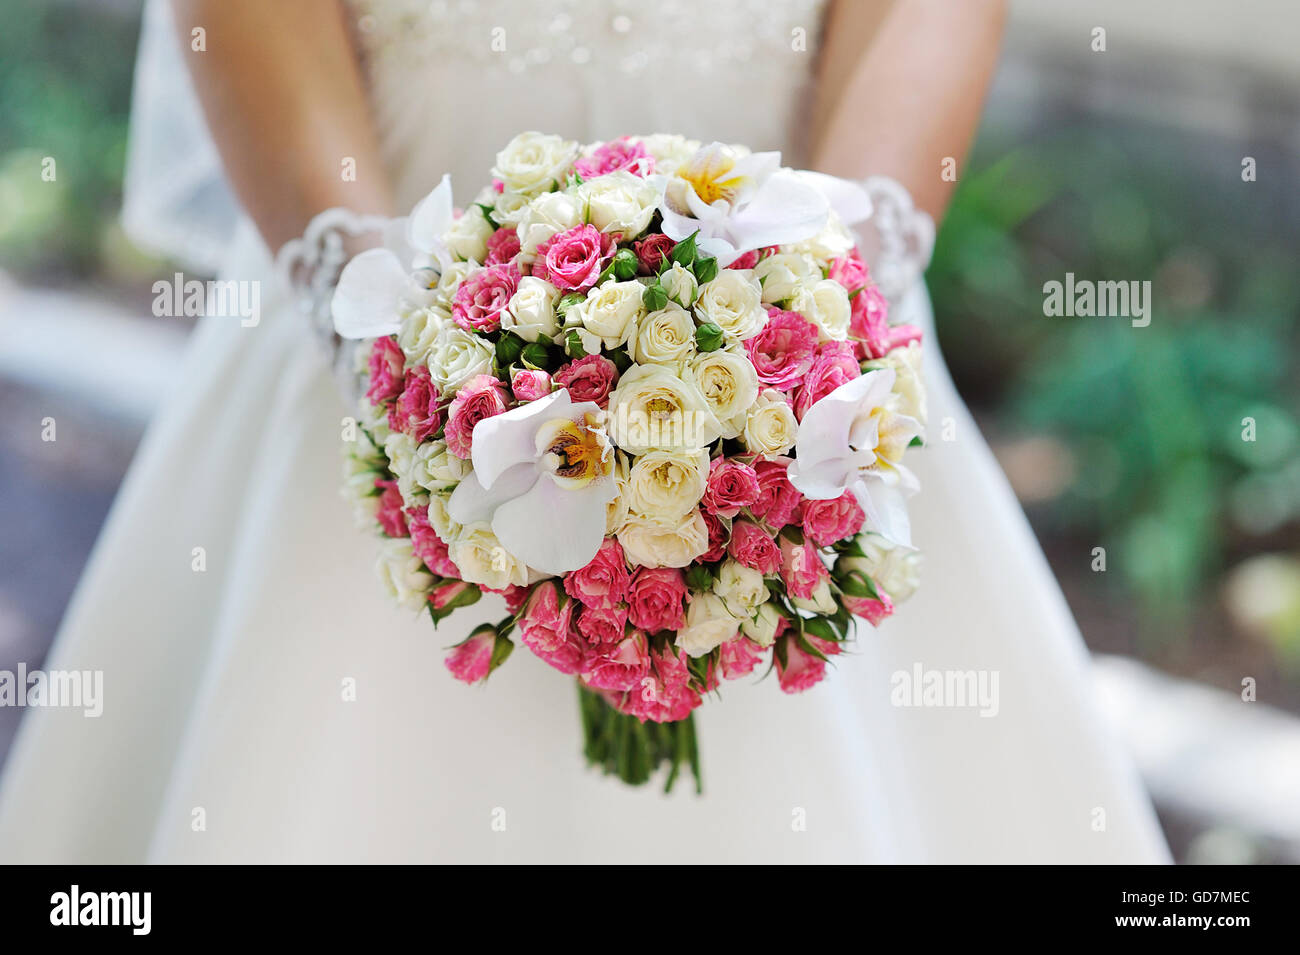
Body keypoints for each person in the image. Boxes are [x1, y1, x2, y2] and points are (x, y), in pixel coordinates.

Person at [0, 0, 1169, 862]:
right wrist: (391, 332)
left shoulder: (812, 334)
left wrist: (826, 308)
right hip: (384, 319)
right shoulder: (385, 327)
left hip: (800, 364)